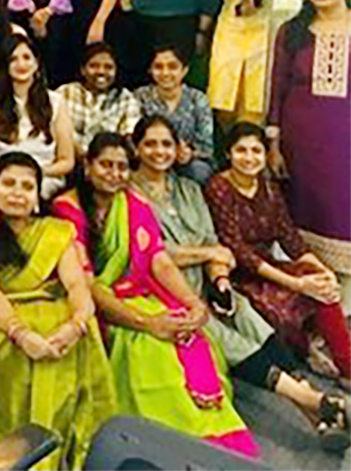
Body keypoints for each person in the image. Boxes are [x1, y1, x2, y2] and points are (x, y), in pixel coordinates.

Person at [130, 115, 349, 450]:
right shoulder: (131, 196)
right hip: (165, 290)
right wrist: (209, 255)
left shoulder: (189, 189)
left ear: (177, 149)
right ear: (137, 147)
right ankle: (319, 403)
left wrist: (218, 279)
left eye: (166, 144)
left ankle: (316, 410)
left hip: (210, 280)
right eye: (151, 144)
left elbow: (214, 241)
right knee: (224, 336)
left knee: (246, 315)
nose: (159, 151)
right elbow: (155, 255)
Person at [52, 133, 258, 457]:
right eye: (105, 165)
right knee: (148, 348)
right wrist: (147, 322)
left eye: (122, 167)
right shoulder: (68, 209)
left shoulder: (135, 205)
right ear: (88, 167)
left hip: (141, 293)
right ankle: (166, 448)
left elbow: (159, 262)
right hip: (94, 304)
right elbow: (86, 284)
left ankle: (213, 445)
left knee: (190, 333)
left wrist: (193, 303)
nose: (114, 173)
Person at [0, 151, 115, 466]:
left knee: (83, 330)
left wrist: (75, 325)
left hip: (44, 302)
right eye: (8, 184)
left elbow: (78, 286)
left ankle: (59, 443)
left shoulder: (55, 229)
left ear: (37, 197)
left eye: (27, 186)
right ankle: (3, 447)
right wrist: (21, 334)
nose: (17, 193)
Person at [205, 122, 351, 380]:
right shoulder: (218, 187)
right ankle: (309, 354)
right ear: (228, 153)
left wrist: (323, 271)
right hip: (239, 274)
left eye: (256, 151)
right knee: (280, 305)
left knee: (319, 281)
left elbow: (289, 237)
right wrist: (295, 283)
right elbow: (237, 249)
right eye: (241, 150)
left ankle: (346, 364)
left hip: (268, 265)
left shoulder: (269, 187)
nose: (249, 158)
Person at [266, 0, 350, 296]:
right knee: (303, 204)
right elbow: (277, 87)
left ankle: (342, 289)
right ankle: (310, 279)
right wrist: (273, 142)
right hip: (300, 139)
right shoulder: (293, 31)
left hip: (344, 139)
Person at [0, 35, 75, 199]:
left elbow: (67, 161)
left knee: (31, 196)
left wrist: (35, 172)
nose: (21, 64)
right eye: (13, 59)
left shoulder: (55, 101)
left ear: (36, 63)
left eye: (27, 57)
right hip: (2, 179)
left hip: (45, 177)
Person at [135, 44, 214, 183]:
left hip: (187, 162)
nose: (165, 73)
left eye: (172, 67)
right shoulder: (140, 97)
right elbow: (133, 138)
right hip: (149, 158)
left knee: (200, 170)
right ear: (150, 70)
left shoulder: (197, 98)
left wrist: (189, 153)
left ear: (184, 70)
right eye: (158, 67)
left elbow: (206, 145)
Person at [57, 42, 140, 154]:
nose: (101, 71)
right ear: (83, 70)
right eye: (94, 66)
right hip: (68, 159)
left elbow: (128, 138)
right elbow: (55, 132)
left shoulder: (126, 99)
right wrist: (81, 155)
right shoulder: (65, 93)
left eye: (108, 67)